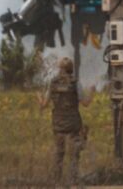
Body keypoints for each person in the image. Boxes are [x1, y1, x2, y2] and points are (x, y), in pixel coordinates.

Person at [37, 57, 95, 185]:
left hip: (58, 124)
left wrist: (39, 98)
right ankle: (74, 179)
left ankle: (57, 182)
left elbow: (44, 104)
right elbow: (85, 103)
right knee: (74, 153)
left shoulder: (53, 83)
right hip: (74, 124)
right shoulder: (75, 83)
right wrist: (92, 92)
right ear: (71, 69)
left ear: (60, 69)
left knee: (59, 153)